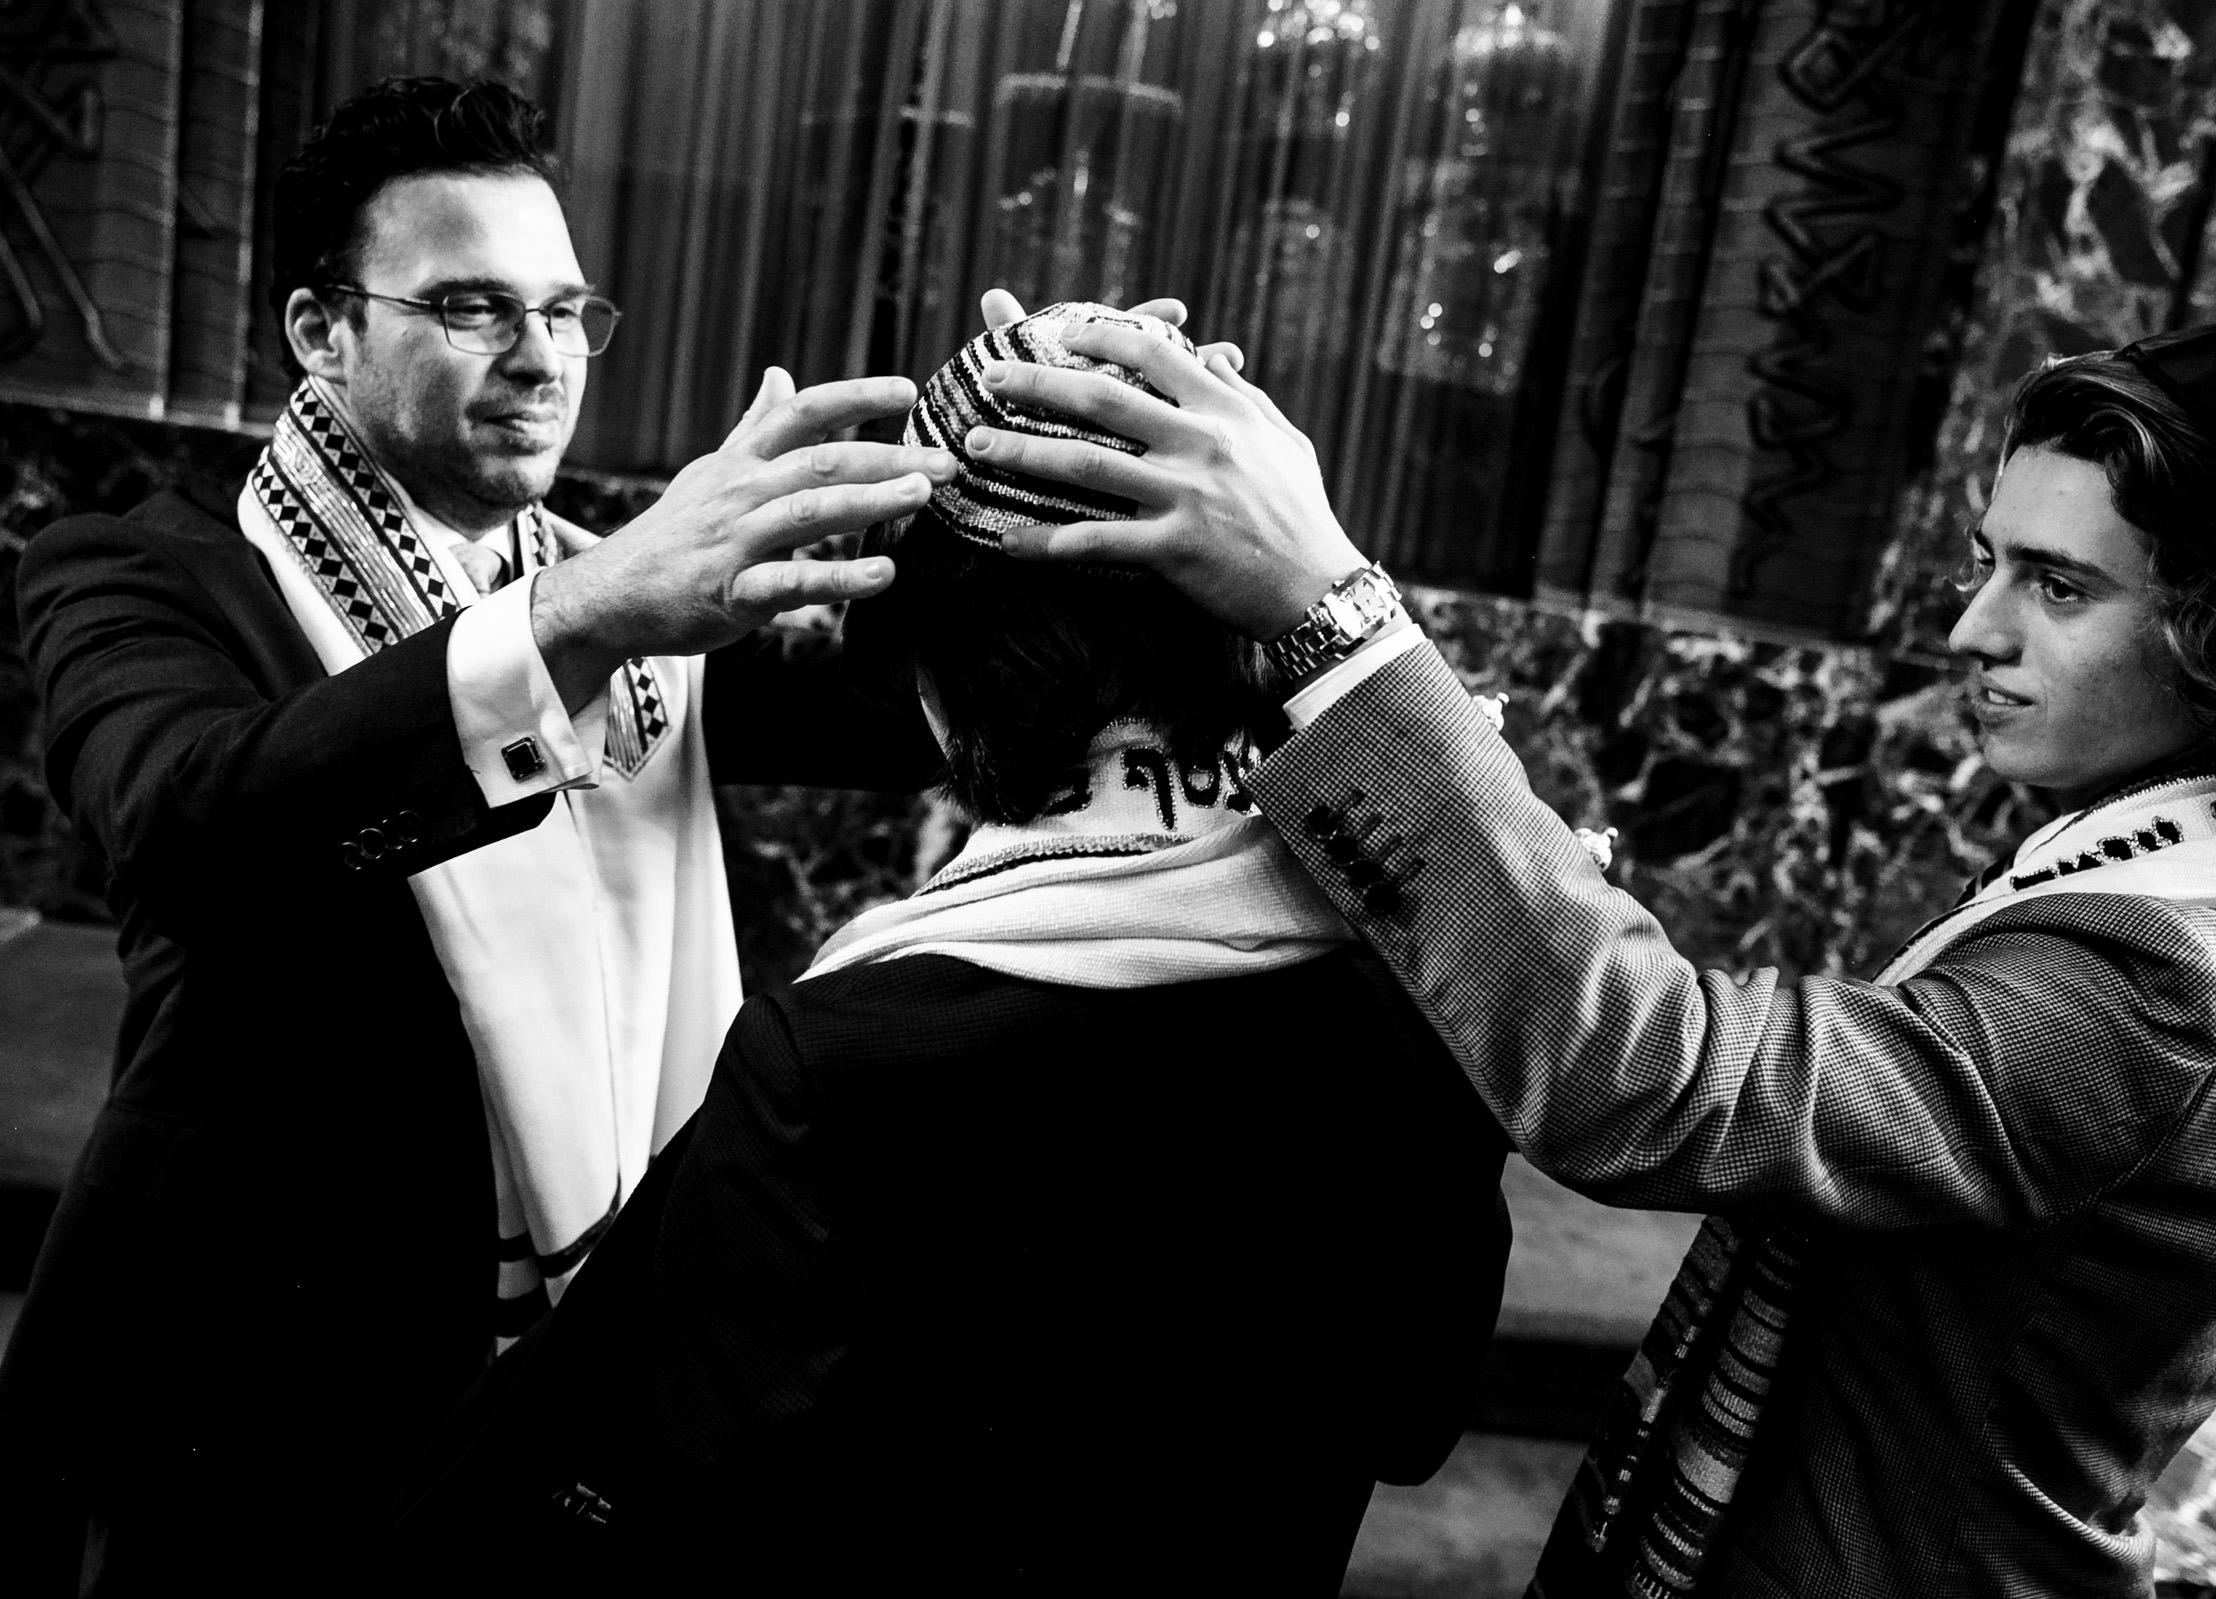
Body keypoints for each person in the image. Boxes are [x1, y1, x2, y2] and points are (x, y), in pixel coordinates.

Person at [970, 304, 2216, 1596]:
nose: (1972, 630)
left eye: (2060, 587)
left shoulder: (2171, 993)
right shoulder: (2180, 873)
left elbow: (1653, 1076)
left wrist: (1327, 613)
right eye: (1985, 564)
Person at [0, 76, 960, 1590]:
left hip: (557, 1393)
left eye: (569, 309)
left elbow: (911, 715)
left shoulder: (636, 601)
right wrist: (573, 619)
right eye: (472, 307)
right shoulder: (143, 569)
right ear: (324, 333)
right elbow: (191, 825)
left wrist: (996, 469)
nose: (543, 359)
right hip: (252, 1394)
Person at [394, 304, 1514, 1596]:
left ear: (935, 683)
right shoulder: (1428, 983)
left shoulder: (839, 1065)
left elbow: (706, 1496)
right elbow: (1415, 1418)